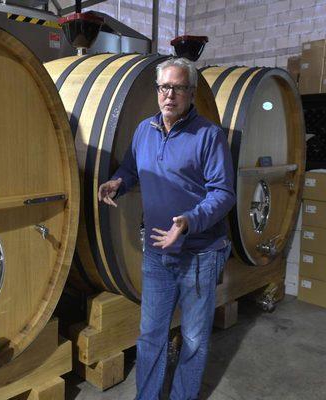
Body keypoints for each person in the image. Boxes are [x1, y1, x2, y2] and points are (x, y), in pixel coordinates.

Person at [97, 57, 236, 400]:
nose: (169, 95)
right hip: (157, 251)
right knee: (150, 336)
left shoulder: (208, 135)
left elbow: (224, 193)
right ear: (157, 91)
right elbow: (132, 167)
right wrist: (118, 181)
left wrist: (189, 221)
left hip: (200, 253)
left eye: (178, 87)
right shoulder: (145, 129)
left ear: (191, 92)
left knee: (192, 339)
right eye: (164, 87)